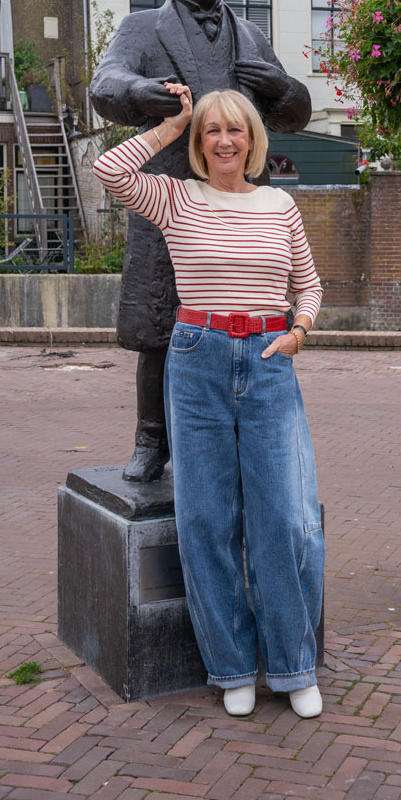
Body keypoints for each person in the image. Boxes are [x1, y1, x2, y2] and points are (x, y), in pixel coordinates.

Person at [93, 83, 325, 719]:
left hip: (269, 356)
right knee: (205, 518)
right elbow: (108, 168)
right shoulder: (174, 199)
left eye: (236, 130)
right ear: (200, 143)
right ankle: (230, 667)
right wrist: (174, 121)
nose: (225, 141)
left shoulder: (279, 205)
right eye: (212, 131)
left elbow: (308, 285)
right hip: (196, 360)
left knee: (281, 516)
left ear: (253, 141)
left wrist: (298, 333)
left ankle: (292, 664)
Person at [90, 0, 311, 484]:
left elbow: (294, 114)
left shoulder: (252, 36)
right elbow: (104, 84)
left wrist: (284, 90)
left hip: (237, 206)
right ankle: (150, 439)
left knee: (232, 322)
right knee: (158, 330)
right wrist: (142, 93)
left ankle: (226, 437)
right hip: (166, 202)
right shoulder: (142, 29)